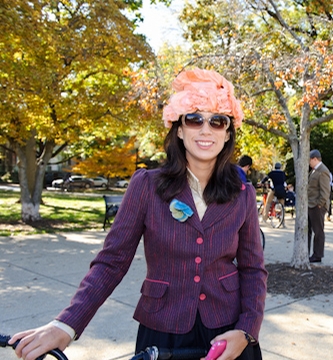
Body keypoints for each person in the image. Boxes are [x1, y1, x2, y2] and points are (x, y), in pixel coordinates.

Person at [10, 68, 267, 360]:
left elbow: (253, 269)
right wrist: (65, 325)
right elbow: (111, 262)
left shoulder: (242, 194)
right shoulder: (146, 186)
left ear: (227, 133)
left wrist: (247, 330)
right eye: (194, 119)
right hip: (163, 330)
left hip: (228, 332)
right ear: (179, 129)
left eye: (217, 121)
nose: (205, 129)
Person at [307, 149, 331, 263]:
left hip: (317, 206)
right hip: (310, 204)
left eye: (309, 160)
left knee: (318, 231)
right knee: (308, 230)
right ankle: (306, 252)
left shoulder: (323, 171)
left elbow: (325, 191)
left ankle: (317, 255)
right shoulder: (314, 170)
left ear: (315, 159)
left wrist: (320, 204)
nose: (308, 163)